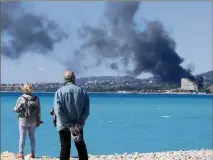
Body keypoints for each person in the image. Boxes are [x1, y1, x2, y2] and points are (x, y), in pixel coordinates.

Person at [53, 71, 90, 160]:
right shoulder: (82, 91)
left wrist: (68, 124)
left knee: (65, 147)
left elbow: (58, 111)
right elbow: (86, 110)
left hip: (63, 124)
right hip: (78, 124)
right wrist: (79, 123)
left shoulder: (59, 92)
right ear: (74, 78)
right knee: (81, 147)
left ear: (64, 79)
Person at [14, 82, 41, 159]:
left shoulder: (21, 98)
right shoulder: (36, 98)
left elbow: (16, 109)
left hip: (23, 121)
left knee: (22, 137)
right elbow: (38, 110)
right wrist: (38, 120)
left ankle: (21, 154)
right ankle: (32, 153)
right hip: (33, 121)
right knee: (32, 137)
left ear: (24, 89)